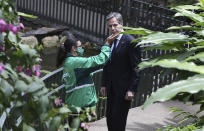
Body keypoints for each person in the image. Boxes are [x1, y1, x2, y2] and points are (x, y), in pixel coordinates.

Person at [100, 12, 141, 131]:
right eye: (110, 26)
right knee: (110, 118)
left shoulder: (130, 42)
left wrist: (131, 89)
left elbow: (137, 68)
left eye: (115, 25)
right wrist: (103, 83)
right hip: (111, 87)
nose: (112, 28)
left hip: (124, 90)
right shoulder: (109, 40)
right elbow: (107, 64)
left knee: (119, 120)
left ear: (121, 24)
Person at [56, 31, 117, 110]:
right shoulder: (76, 63)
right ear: (74, 48)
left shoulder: (68, 62)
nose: (82, 48)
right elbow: (100, 60)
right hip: (83, 108)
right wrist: (107, 44)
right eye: (80, 46)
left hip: (72, 106)